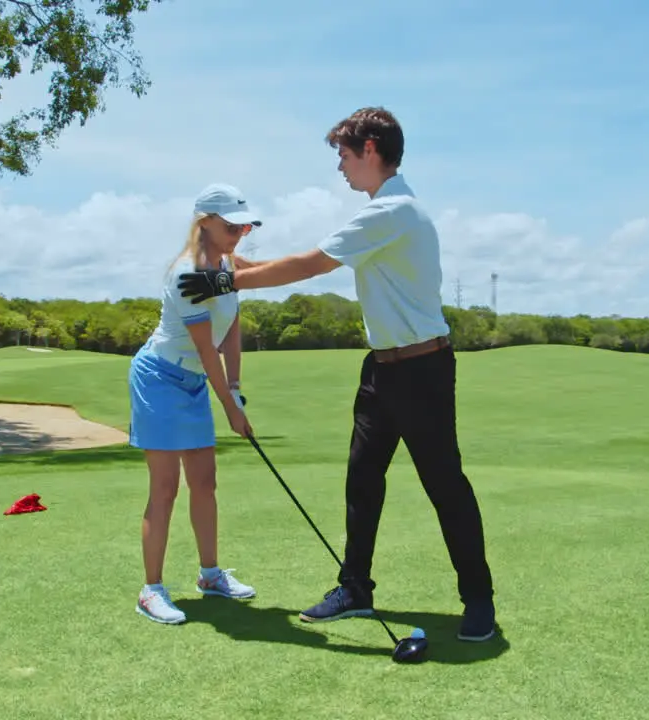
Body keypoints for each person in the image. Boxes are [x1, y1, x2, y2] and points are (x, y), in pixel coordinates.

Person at [176, 107, 498, 642]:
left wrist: (226, 286)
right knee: (362, 480)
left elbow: (310, 265)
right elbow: (299, 262)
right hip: (382, 370)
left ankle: (479, 601)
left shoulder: (393, 212)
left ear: (372, 149)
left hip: (423, 369)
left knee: (445, 486)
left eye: (345, 156)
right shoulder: (382, 214)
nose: (341, 168)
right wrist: (221, 271)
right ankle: (355, 588)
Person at [128, 183, 262, 625]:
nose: (240, 233)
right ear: (204, 222)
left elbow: (234, 326)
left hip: (192, 382)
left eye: (245, 226)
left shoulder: (226, 265)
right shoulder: (187, 274)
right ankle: (151, 590)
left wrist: (237, 385)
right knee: (165, 489)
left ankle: (210, 576)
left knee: (204, 483)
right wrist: (231, 408)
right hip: (160, 378)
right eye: (231, 226)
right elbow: (207, 351)